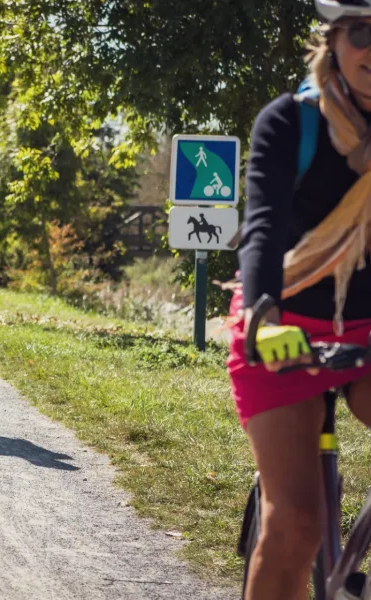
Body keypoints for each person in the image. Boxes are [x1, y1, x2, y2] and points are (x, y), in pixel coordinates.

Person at [229, 2, 371, 598]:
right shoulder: (290, 121)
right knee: (297, 523)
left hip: (365, 329)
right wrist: (264, 317)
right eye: (364, 32)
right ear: (334, 39)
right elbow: (262, 225)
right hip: (283, 326)